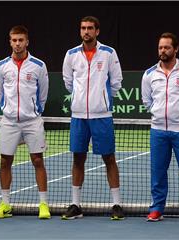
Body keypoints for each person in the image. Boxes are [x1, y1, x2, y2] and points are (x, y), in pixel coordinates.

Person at [61, 16, 124, 220]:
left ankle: (116, 204)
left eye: (89, 28)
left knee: (109, 159)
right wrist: (81, 101)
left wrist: (101, 100)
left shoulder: (108, 53)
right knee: (78, 158)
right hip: (79, 116)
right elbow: (68, 82)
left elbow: (116, 82)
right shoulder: (71, 54)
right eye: (83, 28)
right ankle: (75, 204)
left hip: (102, 115)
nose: (86, 31)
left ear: (97, 31)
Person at [141, 32, 179, 223]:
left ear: (175, 49)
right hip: (158, 130)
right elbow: (146, 100)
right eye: (160, 47)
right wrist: (157, 113)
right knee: (157, 172)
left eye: (167, 47)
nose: (163, 50)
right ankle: (157, 209)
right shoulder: (149, 74)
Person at [0, 25, 50, 219]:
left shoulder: (39, 66)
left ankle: (43, 204)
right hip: (9, 121)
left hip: (32, 121)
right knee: (5, 161)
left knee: (38, 160)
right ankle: (5, 204)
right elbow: (0, 92)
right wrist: (7, 109)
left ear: (27, 41)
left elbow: (43, 94)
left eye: (21, 40)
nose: (17, 44)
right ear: (10, 42)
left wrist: (33, 111)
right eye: (14, 40)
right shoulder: (1, 66)